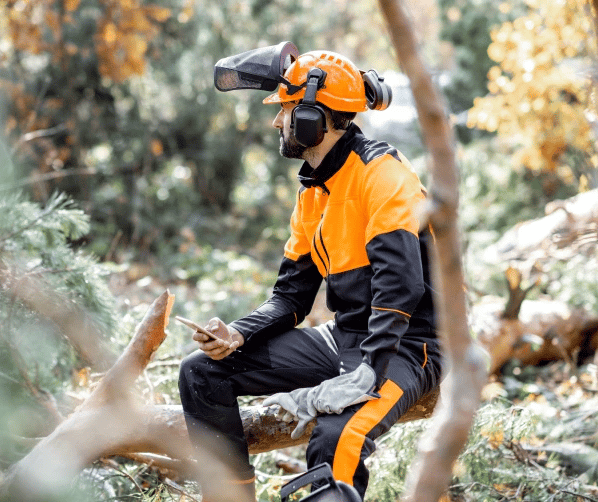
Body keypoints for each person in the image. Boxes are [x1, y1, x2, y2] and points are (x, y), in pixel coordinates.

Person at [178, 48, 442, 502]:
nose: (276, 123)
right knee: (201, 373)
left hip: (407, 344)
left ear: (310, 120)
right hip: (346, 335)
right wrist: (238, 334)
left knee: (335, 440)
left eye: (283, 111)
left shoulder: (383, 176)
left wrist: (368, 372)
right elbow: (291, 298)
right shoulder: (314, 193)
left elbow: (402, 287)